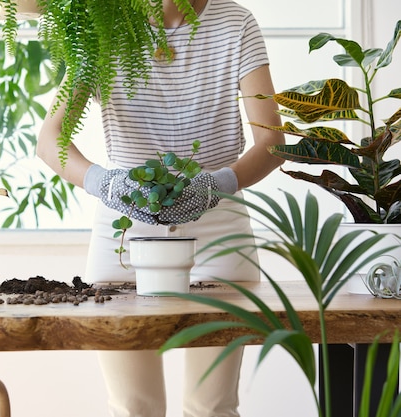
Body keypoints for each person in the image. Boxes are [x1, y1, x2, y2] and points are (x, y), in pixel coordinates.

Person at [37, 0, 285, 416]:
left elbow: (272, 140)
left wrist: (215, 185)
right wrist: (105, 183)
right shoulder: (104, 22)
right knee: (133, 407)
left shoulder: (234, 22)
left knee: (212, 407)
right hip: (124, 226)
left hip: (218, 223)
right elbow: (50, 140)